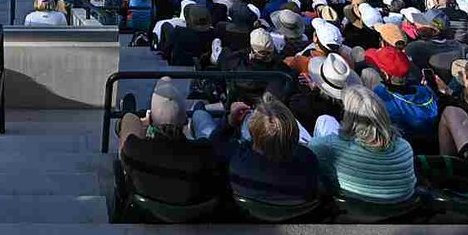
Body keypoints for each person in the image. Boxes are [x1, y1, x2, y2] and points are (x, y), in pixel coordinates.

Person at [115, 77, 218, 207]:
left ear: (150, 120)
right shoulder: (204, 152)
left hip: (145, 211)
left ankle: (128, 114)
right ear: (186, 121)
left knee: (130, 119)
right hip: (194, 213)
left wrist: (134, 121)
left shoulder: (135, 149)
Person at [307, 85, 417, 202]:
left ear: (348, 115)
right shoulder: (405, 147)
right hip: (401, 209)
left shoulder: (329, 147)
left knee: (323, 121)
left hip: (349, 208)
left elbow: (310, 153)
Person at [212, 94, 321, 206]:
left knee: (201, 115)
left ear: (252, 135)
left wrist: (230, 121)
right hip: (296, 214)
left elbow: (214, 144)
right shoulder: (308, 160)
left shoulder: (237, 158)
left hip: (250, 213)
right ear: (295, 133)